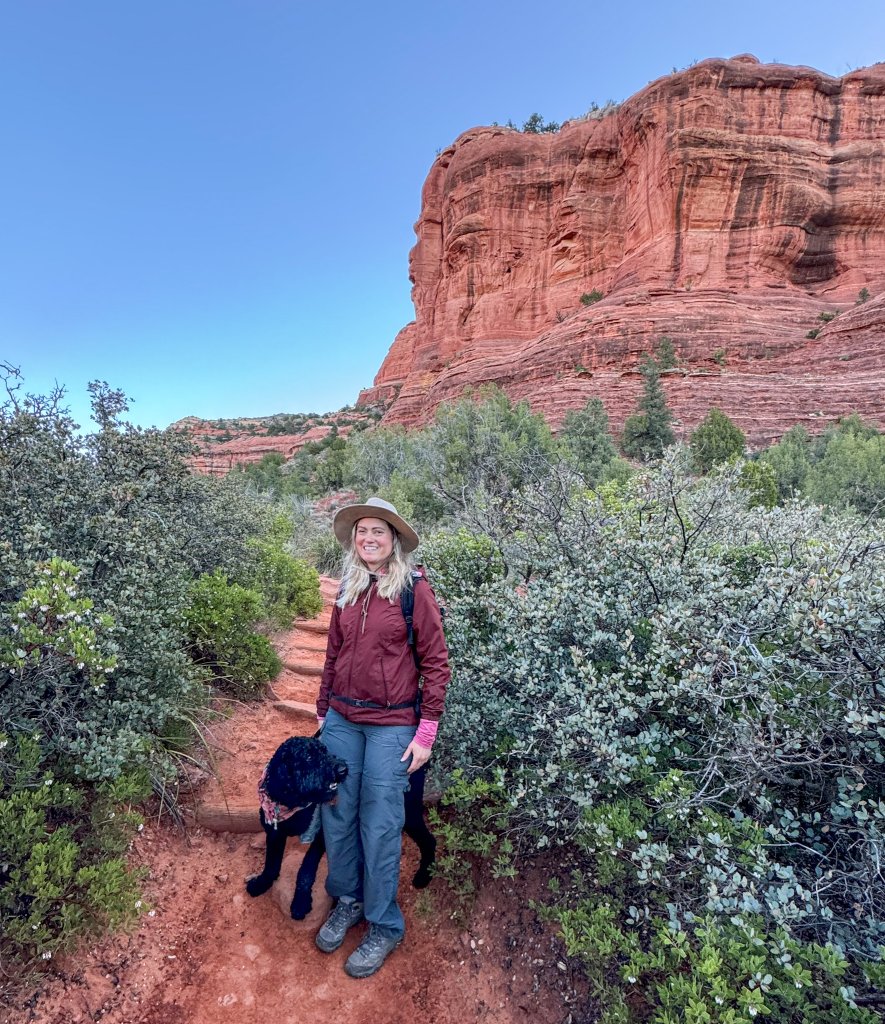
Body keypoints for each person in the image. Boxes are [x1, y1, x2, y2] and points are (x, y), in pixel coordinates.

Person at [315, 497, 449, 978]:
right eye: (362, 531)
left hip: (394, 725)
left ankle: (384, 923)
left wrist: (426, 732)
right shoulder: (348, 589)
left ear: (394, 540)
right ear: (354, 538)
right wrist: (323, 711)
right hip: (343, 721)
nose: (368, 538)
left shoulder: (414, 590)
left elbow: (436, 664)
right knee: (337, 812)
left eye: (379, 531)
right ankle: (347, 899)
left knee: (380, 822)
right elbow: (333, 654)